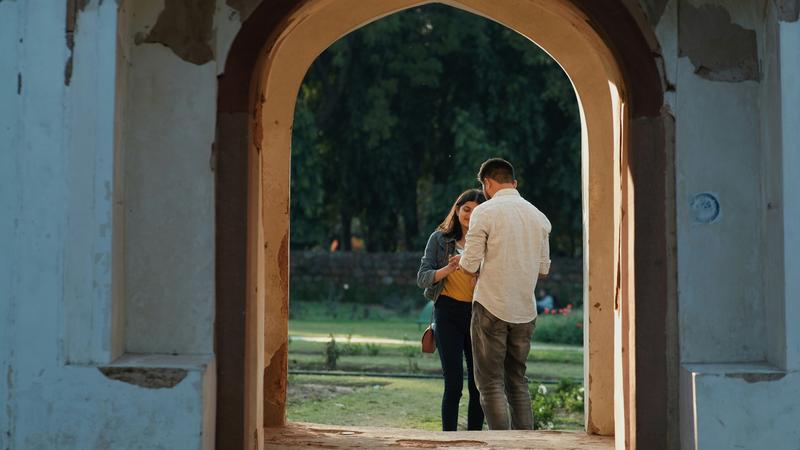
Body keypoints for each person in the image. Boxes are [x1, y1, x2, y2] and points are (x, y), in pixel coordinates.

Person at [456, 158, 552, 430]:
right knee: (517, 380)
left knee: (490, 382)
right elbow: (543, 270)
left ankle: (504, 444)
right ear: (514, 182)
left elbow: (469, 265)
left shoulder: (484, 213)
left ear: (486, 183)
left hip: (491, 306)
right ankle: (525, 444)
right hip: (524, 310)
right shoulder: (538, 217)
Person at [416, 189, 486, 431]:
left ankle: (475, 439)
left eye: (477, 210)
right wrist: (447, 269)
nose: (470, 214)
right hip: (446, 313)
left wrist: (481, 277)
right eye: (466, 209)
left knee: (478, 384)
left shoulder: (487, 241)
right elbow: (422, 278)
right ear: (457, 210)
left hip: (478, 314)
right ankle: (449, 439)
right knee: (453, 383)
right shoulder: (439, 239)